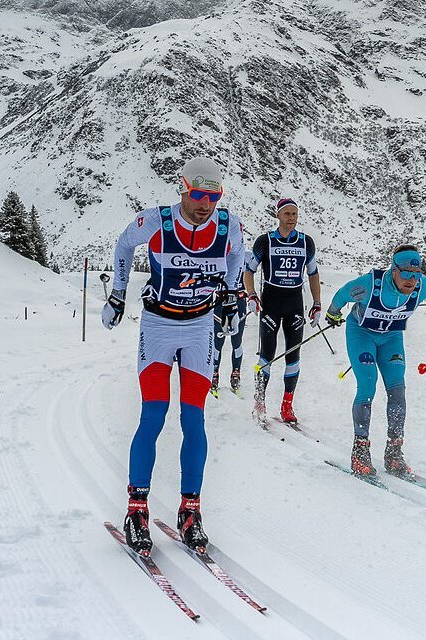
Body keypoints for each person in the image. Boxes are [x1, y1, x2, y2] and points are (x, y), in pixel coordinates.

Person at [101, 157, 247, 553]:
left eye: (213, 197)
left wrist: (231, 293)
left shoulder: (228, 225)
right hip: (158, 326)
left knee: (193, 419)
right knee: (153, 415)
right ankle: (136, 510)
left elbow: (238, 254)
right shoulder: (156, 222)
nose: (205, 204)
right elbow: (124, 245)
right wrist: (117, 294)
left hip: (200, 328)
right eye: (198, 195)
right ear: (183, 188)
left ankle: (190, 511)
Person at [324, 246, 426, 476]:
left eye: (417, 274)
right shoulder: (370, 285)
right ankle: (360, 450)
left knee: (397, 388)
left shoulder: (423, 288)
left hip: (391, 338)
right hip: (361, 334)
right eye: (406, 273)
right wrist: (333, 314)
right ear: (393, 269)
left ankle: (394, 451)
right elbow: (342, 295)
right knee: (367, 383)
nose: (412, 280)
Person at [245, 198, 323, 424]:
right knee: (267, 354)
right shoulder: (265, 241)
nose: (291, 218)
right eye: (287, 214)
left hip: (294, 303)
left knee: (293, 355)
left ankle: (287, 404)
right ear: (278, 215)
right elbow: (249, 271)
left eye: (294, 214)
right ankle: (260, 400)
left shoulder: (306, 242)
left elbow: (313, 274)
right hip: (271, 302)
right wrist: (252, 295)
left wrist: (317, 303)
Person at [211, 241, 256, 396]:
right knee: (218, 341)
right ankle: (214, 373)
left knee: (237, 341)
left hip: (239, 301)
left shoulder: (248, 256)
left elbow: (261, 264)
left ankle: (236, 374)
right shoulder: (218, 254)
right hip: (220, 301)